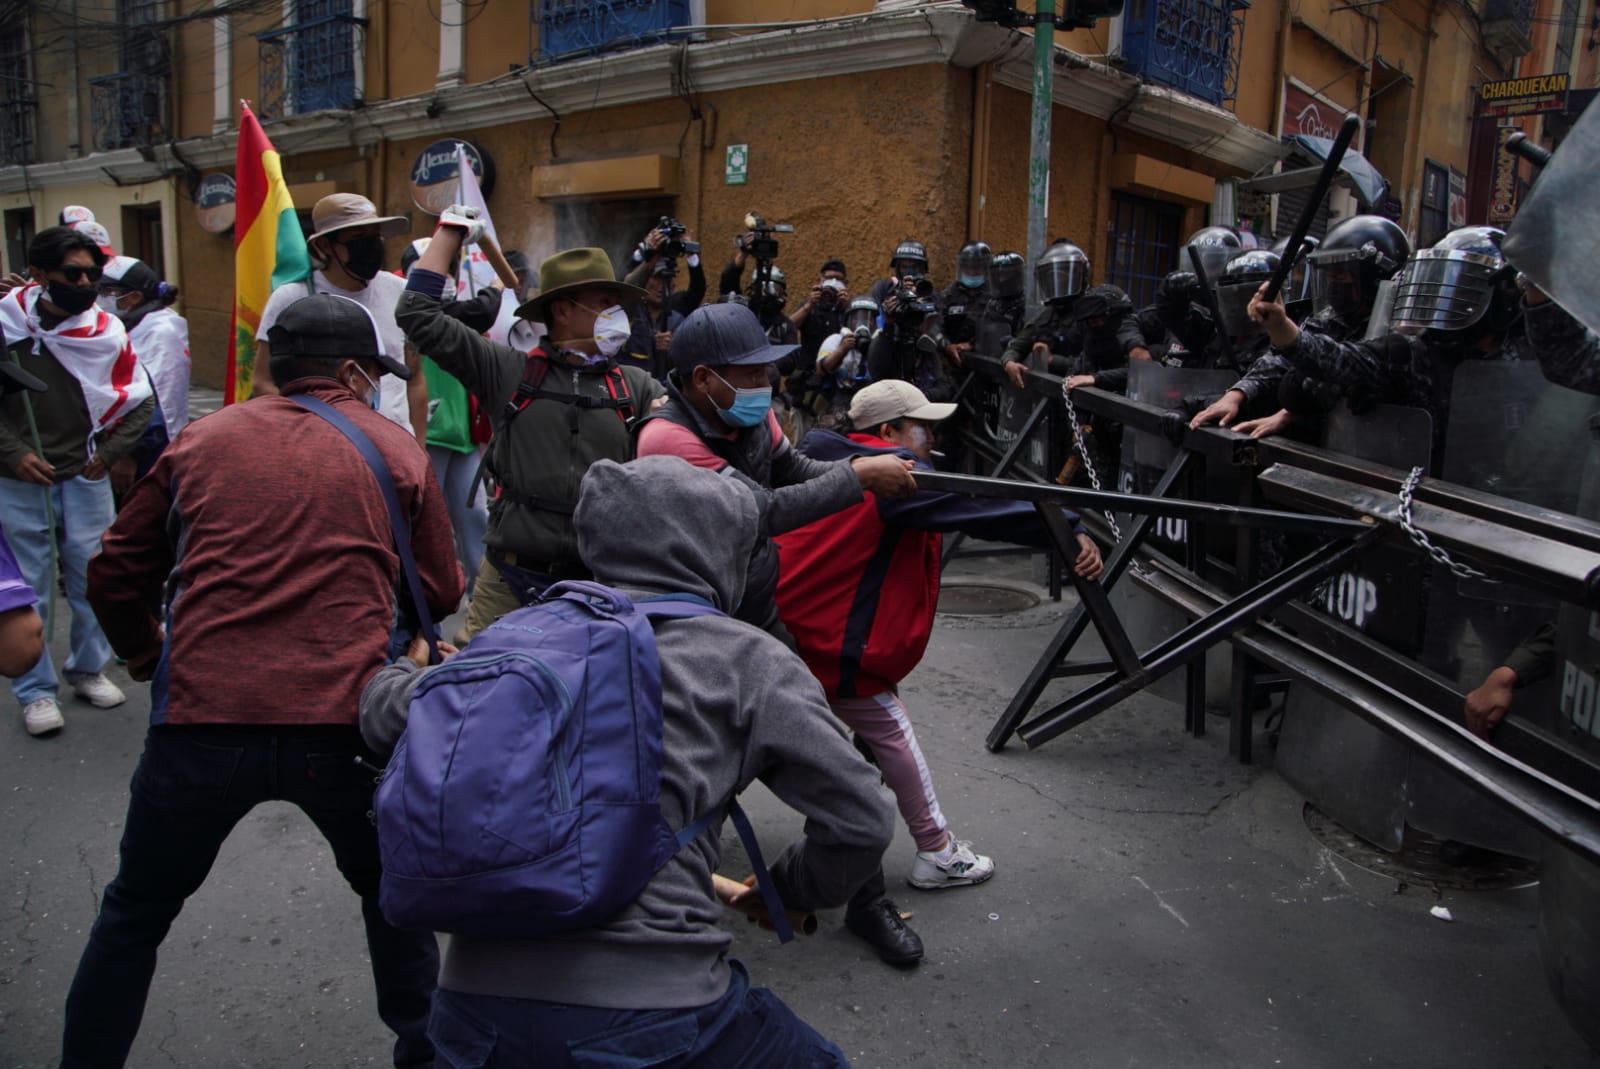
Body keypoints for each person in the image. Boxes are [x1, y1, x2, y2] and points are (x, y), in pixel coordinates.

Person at [360, 455, 896, 1065]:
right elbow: (861, 819)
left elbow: (379, 713)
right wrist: (793, 888)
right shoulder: (749, 659)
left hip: (468, 1015)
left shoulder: (516, 634)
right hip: (658, 1011)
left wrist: (408, 668)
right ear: (721, 549)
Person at [61, 293, 462, 1069]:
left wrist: (145, 651)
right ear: (355, 371)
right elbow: (439, 589)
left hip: (200, 721)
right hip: (347, 725)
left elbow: (112, 572)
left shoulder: (202, 440)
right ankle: (426, 1056)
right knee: (395, 902)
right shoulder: (395, 449)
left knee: (134, 912)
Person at [777, 380, 1103, 894]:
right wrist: (1066, 526)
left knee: (814, 739)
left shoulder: (829, 457)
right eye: (921, 426)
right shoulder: (891, 476)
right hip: (829, 643)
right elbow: (982, 509)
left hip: (794, 628)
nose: (930, 436)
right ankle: (937, 851)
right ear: (888, 431)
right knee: (890, 730)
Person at [395, 206, 667, 641]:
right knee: (474, 677)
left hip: (598, 587)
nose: (617, 314)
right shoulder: (508, 371)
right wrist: (449, 232)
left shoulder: (636, 387)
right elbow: (416, 314)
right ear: (562, 310)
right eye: (603, 303)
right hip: (509, 583)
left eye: (616, 304)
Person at [633, 302, 916, 639]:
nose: (765, 382)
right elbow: (760, 512)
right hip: (694, 614)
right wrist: (858, 477)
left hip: (752, 600)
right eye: (752, 372)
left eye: (765, 369)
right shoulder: (668, 438)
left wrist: (856, 464)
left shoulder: (748, 412)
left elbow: (794, 469)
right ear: (704, 378)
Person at [0, 226, 153, 736]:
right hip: (19, 480)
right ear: (39, 274)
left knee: (93, 579)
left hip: (84, 475)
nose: (85, 283)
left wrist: (108, 454)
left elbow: (140, 401)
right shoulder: (6, 324)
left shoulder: (108, 331)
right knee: (31, 589)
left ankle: (88, 669)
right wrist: (14, 453)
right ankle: (35, 690)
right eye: (72, 274)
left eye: (92, 274)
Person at [1190, 216, 1411, 436]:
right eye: (1329, 274)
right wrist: (1236, 395)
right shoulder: (1330, 319)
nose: (1333, 283)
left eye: (1341, 274)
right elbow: (1279, 360)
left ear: (1372, 275)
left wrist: (1287, 414)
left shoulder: (1399, 333)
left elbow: (1342, 369)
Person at [253, 193, 426, 447]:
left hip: (394, 448)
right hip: (323, 449)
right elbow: (263, 382)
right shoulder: (290, 298)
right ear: (325, 246)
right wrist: (317, 423)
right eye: (359, 238)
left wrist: (418, 449)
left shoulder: (400, 292)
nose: (372, 245)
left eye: (376, 235)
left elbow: (415, 379)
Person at [400, 237, 495, 592]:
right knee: (426, 526)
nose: (447, 274)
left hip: (462, 436)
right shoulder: (408, 316)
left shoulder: (456, 318)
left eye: (450, 266)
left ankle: (481, 598)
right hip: (429, 437)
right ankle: (422, 601)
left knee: (476, 516)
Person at [1004, 241, 1150, 389]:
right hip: (1058, 388)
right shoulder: (1045, 317)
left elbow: (1094, 361)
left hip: (1090, 388)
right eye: (1053, 278)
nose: (1058, 283)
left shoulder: (1092, 314)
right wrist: (1009, 362)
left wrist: (1051, 359)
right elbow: (1018, 345)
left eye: (1063, 278)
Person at [97, 255, 189, 477]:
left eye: (107, 291)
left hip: (148, 447)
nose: (98, 297)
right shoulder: (128, 325)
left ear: (135, 297)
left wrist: (129, 454)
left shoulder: (160, 332)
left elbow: (159, 401)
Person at [937, 240, 992, 368]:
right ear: (961, 268)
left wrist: (973, 345)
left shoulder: (996, 296)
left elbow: (1000, 330)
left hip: (987, 364)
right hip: (953, 365)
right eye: (968, 267)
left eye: (977, 268)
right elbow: (936, 325)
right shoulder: (948, 296)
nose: (972, 272)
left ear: (985, 268)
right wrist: (947, 346)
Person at [790, 258, 851, 365]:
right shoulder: (809, 305)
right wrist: (809, 306)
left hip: (837, 367)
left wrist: (847, 309)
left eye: (838, 279)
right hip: (808, 368)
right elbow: (788, 327)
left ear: (845, 283)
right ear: (820, 281)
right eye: (829, 278)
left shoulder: (848, 307)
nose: (833, 282)